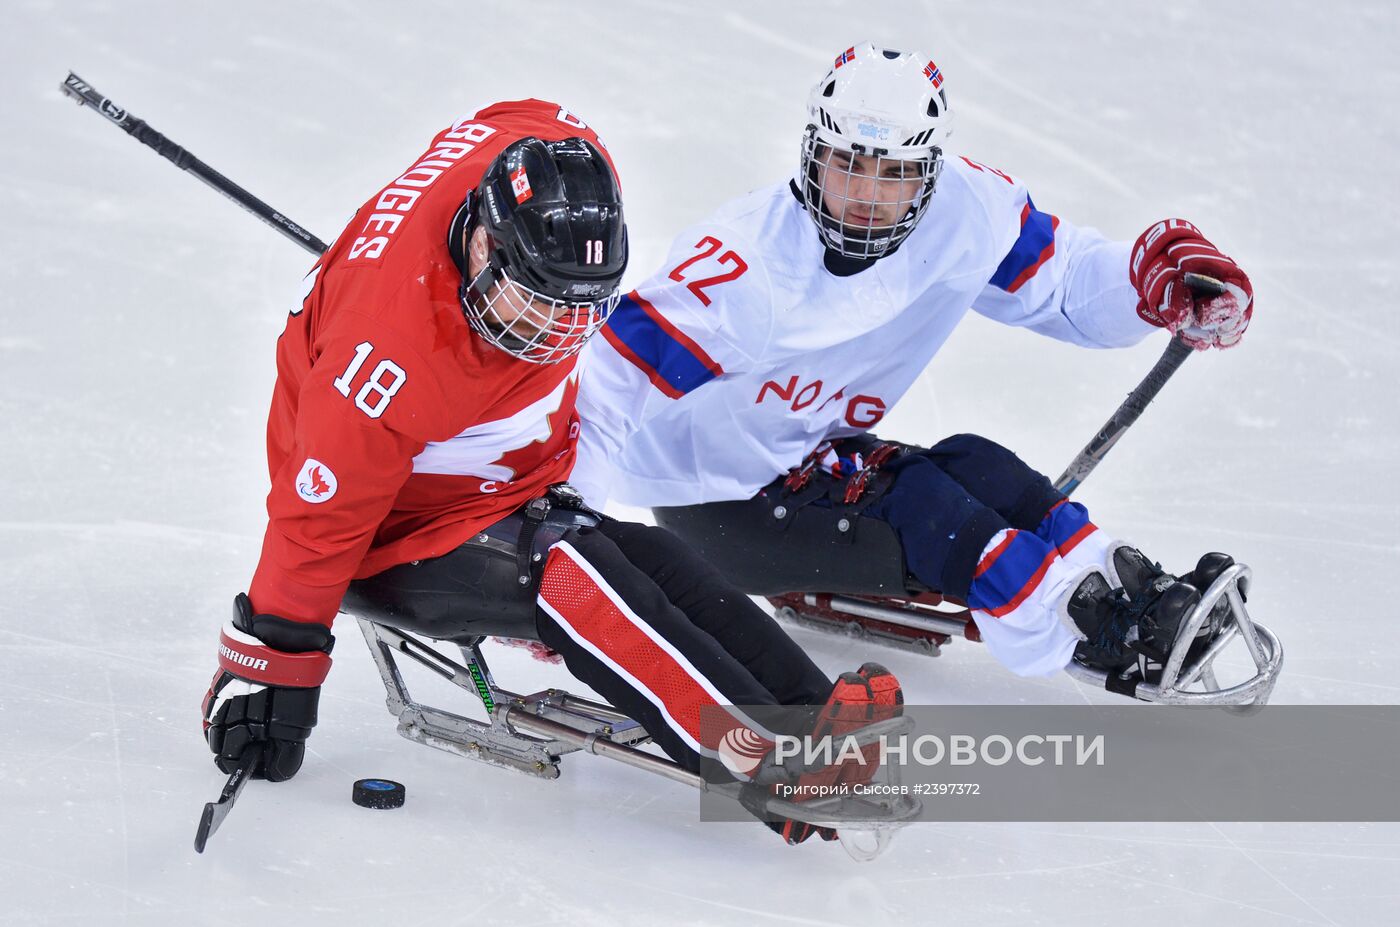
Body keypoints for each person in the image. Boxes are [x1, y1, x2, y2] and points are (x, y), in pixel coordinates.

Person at [199, 99, 897, 846]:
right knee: (570, 578)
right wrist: (270, 670)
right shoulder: (384, 365)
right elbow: (317, 522)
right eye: (530, 303)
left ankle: (817, 714)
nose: (549, 334)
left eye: (576, 310)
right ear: (480, 245)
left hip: (488, 480)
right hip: (395, 528)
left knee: (644, 555)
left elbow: (523, 115)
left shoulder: (543, 158)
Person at [572, 42, 1255, 682]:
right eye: (850, 163)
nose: (869, 194)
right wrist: (563, 541)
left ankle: (1127, 589)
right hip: (715, 505)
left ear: (928, 174)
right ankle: (1079, 618)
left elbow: (1068, 281)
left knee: (979, 463)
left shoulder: (967, 214)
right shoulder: (745, 270)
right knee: (928, 505)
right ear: (812, 156)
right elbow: (604, 379)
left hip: (814, 451)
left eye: (895, 172)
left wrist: (1148, 286)